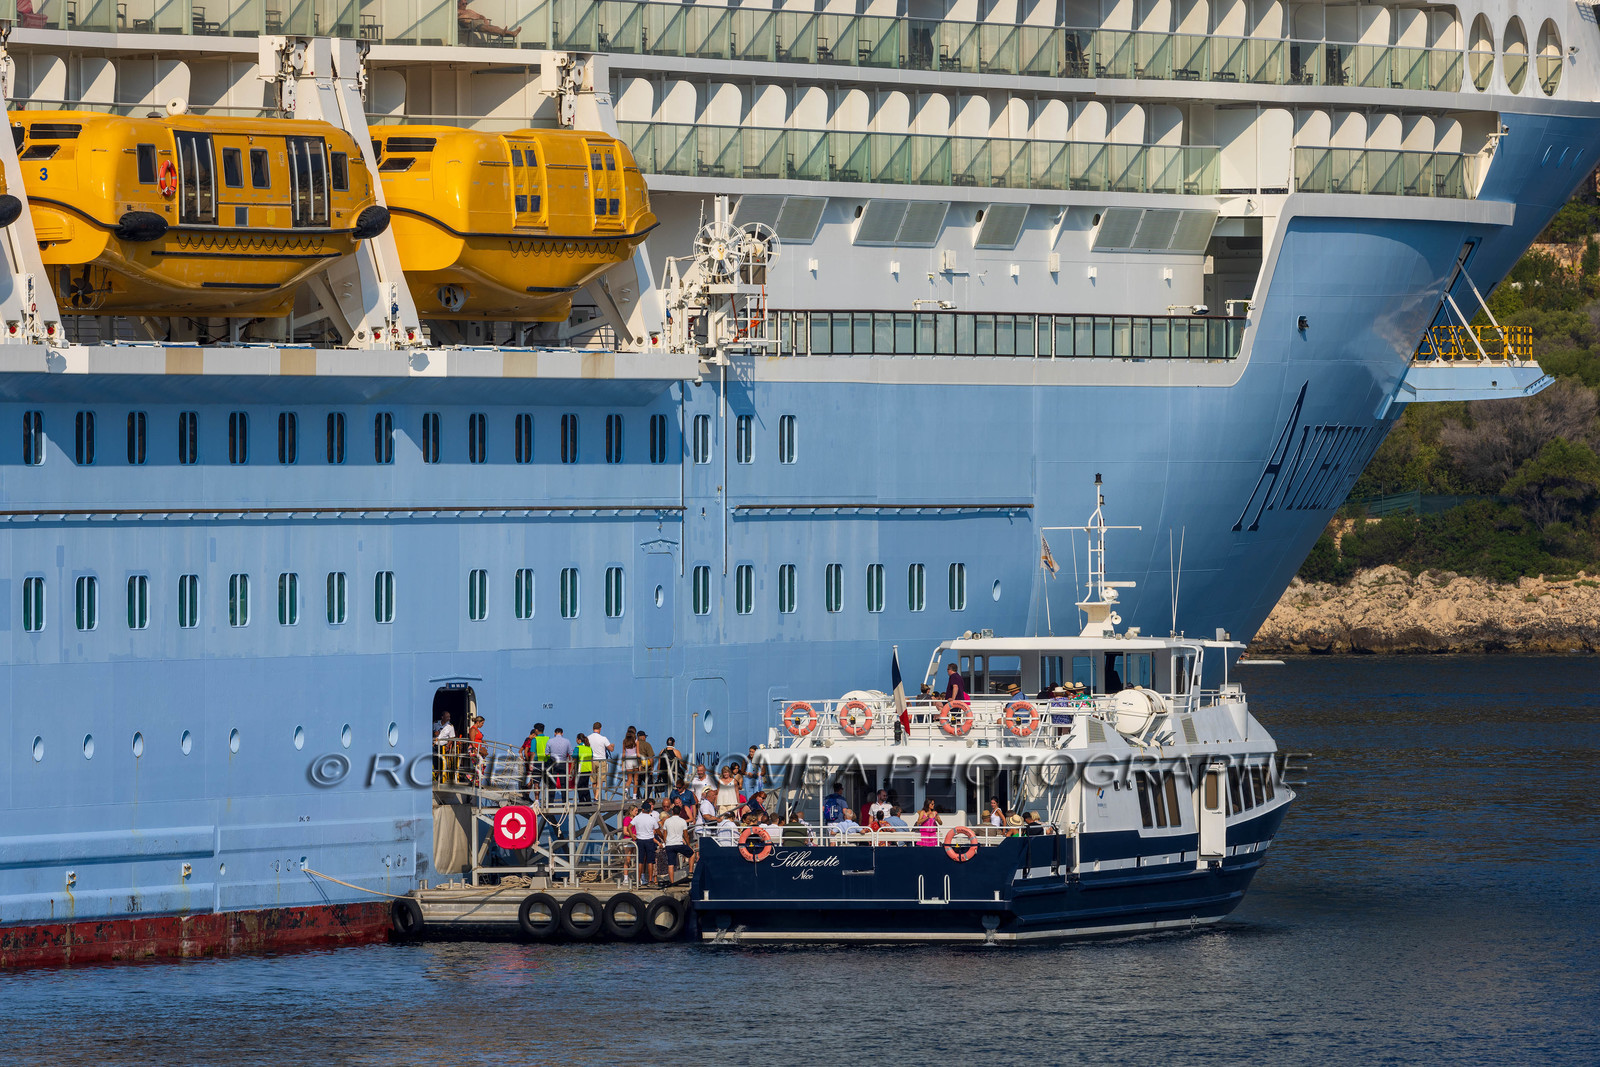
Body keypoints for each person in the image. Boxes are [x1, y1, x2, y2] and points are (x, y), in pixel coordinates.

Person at [457, 0, 521, 40]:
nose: (465, 5)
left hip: (479, 22)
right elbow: (460, 19)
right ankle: (510, 33)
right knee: (491, 28)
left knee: (494, 28)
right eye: (463, 4)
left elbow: (480, 15)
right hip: (472, 23)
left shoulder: (469, 10)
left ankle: (511, 33)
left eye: (466, 3)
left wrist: (484, 19)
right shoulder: (458, 11)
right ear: (459, 4)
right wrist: (467, 18)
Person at [631, 801, 660, 886]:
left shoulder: (637, 818)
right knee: (650, 861)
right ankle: (650, 880)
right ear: (649, 809)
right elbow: (657, 830)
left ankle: (639, 880)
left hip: (640, 840)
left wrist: (633, 836)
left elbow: (629, 827)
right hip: (649, 840)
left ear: (643, 809)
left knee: (640, 861)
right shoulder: (652, 819)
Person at [661, 804, 692, 882]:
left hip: (669, 844)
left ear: (672, 812)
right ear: (680, 812)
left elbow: (664, 834)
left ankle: (672, 881)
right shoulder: (682, 821)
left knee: (671, 864)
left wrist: (666, 842)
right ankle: (691, 871)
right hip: (679, 844)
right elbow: (686, 835)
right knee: (692, 854)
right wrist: (688, 845)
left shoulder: (667, 821)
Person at [546, 727, 574, 802]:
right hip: (563, 764)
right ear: (562, 733)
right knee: (563, 784)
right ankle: (564, 802)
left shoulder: (550, 741)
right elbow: (571, 753)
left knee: (552, 784)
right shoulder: (567, 741)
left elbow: (546, 753)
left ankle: (550, 802)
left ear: (555, 733)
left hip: (553, 764)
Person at [587, 722, 613, 795]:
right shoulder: (603, 738)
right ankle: (596, 798)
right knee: (600, 781)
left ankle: (595, 796)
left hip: (592, 761)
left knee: (594, 781)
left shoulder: (588, 738)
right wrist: (612, 745)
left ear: (593, 728)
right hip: (601, 761)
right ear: (600, 728)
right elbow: (611, 749)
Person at [621, 726, 640, 798]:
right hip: (635, 759)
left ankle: (626, 789)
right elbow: (638, 753)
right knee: (636, 779)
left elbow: (623, 753)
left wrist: (623, 764)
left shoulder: (624, 741)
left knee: (629, 778)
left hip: (628, 759)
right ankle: (634, 796)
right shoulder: (636, 741)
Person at [575, 733, 593, 804]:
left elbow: (574, 760)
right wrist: (591, 769)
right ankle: (588, 801)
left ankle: (582, 801)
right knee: (585, 785)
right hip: (588, 769)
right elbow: (591, 759)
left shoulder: (578, 748)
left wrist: (571, 769)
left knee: (579, 786)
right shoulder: (589, 748)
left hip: (581, 769)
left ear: (579, 740)